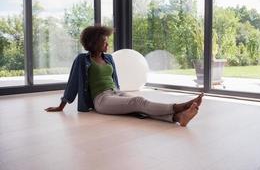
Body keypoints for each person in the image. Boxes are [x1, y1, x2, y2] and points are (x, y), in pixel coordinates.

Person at [45, 25, 204, 126]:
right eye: (105, 42)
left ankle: (178, 118)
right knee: (138, 101)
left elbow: (115, 82)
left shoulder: (109, 58)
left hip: (115, 93)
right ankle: (179, 107)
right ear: (94, 43)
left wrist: (120, 94)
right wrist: (61, 105)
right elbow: (72, 83)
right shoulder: (83, 60)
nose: (108, 44)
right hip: (101, 100)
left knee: (139, 107)